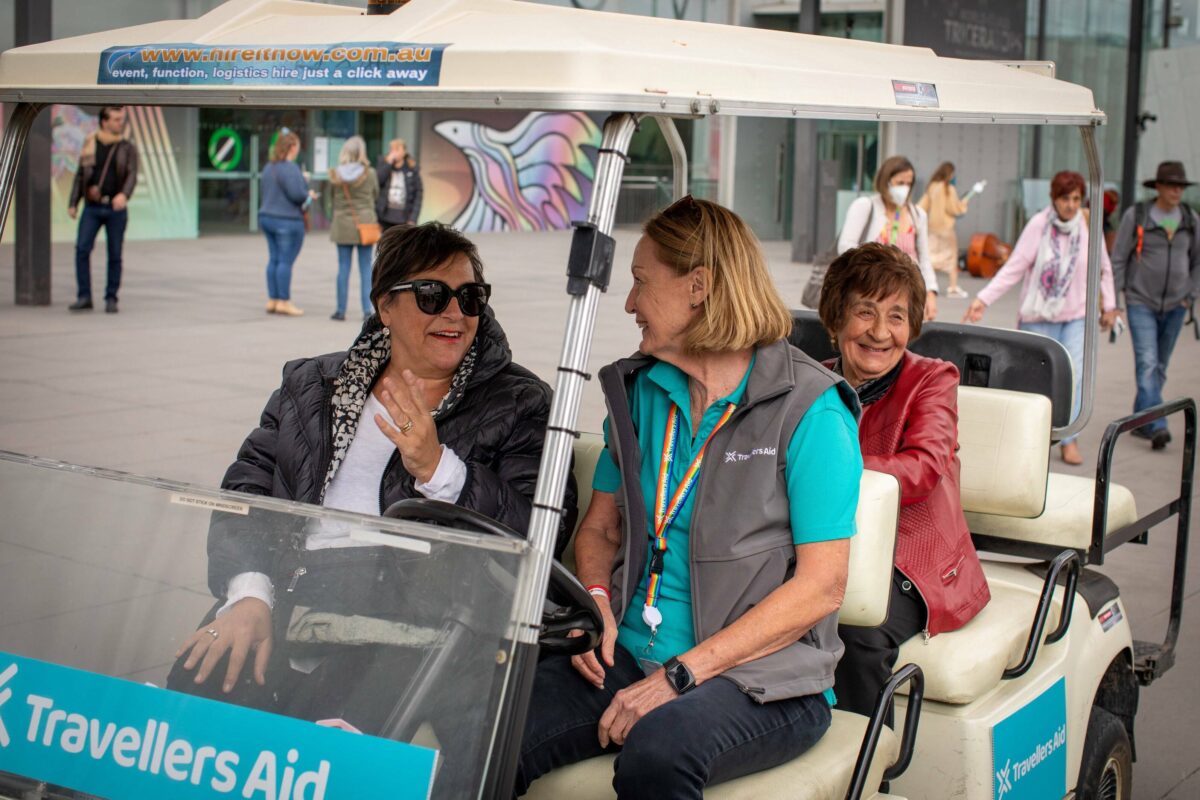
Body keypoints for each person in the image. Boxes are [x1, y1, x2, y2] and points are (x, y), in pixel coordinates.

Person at [169, 222, 577, 794]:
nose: (455, 313)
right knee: (193, 705)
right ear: (385, 305)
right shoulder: (313, 385)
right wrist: (248, 594)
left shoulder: (519, 402)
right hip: (291, 592)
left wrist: (438, 468)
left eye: (470, 297)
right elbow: (246, 493)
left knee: (330, 756)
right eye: (432, 295)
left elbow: (540, 531)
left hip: (414, 620)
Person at [516, 197, 863, 798]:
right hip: (628, 652)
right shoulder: (640, 391)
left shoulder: (812, 410)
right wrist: (596, 602)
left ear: (698, 287)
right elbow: (601, 528)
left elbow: (822, 588)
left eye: (640, 282)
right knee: (492, 721)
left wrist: (680, 675)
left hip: (762, 678)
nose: (630, 303)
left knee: (659, 752)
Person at [819, 242, 989, 719]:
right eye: (864, 312)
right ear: (835, 320)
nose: (879, 332)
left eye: (895, 316)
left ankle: (872, 756)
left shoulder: (932, 380)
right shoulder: (813, 381)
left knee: (855, 631)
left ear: (911, 326)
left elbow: (923, 468)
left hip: (914, 563)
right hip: (832, 548)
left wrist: (825, 468)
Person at [963, 170, 1119, 465]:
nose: (1071, 205)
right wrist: (983, 299)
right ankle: (1031, 436)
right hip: (1038, 317)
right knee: (1033, 379)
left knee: (1074, 378)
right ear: (1054, 199)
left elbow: (1104, 268)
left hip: (1076, 316)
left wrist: (1109, 305)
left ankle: (1068, 439)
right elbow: (1015, 266)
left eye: (1076, 199)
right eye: (1065, 198)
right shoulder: (1039, 225)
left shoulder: (1087, 226)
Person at [1110, 161, 1200, 450]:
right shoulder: (1137, 215)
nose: (1177, 191)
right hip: (1140, 302)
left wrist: (1190, 295)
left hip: (1177, 305)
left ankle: (1141, 421)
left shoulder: (1191, 219)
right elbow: (1118, 259)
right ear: (1158, 186)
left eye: (1181, 186)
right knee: (1148, 363)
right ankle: (1158, 424)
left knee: (1159, 367)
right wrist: (1114, 302)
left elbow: (1198, 261)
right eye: (1171, 185)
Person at [838, 155, 939, 321]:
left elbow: (924, 258)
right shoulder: (866, 206)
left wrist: (931, 292)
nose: (905, 188)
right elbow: (845, 247)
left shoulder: (917, 214)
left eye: (908, 183)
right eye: (900, 183)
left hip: (906, 296)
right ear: (886, 181)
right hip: (869, 292)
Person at [67, 106, 138, 314]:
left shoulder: (126, 147)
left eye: (121, 119)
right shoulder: (90, 144)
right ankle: (84, 296)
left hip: (115, 209)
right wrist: (73, 202)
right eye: (116, 119)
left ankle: (111, 297)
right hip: (92, 207)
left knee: (114, 254)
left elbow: (132, 174)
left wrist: (124, 195)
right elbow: (81, 175)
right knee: (82, 249)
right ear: (104, 121)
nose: (120, 123)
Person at [259, 130, 316, 317]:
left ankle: (273, 299)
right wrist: (308, 193)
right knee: (285, 260)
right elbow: (297, 195)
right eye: (297, 146)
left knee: (274, 258)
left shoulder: (269, 167)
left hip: (267, 217)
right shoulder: (290, 168)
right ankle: (284, 301)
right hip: (287, 220)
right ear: (292, 147)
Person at [329, 135, 380, 321]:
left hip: (342, 224)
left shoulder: (335, 174)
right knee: (365, 268)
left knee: (343, 267)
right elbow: (375, 194)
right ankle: (367, 310)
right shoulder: (370, 173)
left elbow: (331, 198)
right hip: (364, 224)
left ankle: (340, 310)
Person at [917, 161, 976, 299]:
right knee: (951, 259)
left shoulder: (931, 187)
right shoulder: (949, 189)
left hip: (932, 229)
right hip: (946, 230)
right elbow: (954, 209)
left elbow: (921, 206)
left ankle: (925, 285)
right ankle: (953, 287)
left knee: (930, 257)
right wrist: (964, 203)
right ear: (949, 173)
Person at [377, 138, 423, 231]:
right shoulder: (384, 165)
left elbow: (418, 194)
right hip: (384, 217)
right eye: (392, 149)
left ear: (404, 152)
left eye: (397, 149)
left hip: (404, 218)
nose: (394, 153)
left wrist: (413, 218)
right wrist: (388, 164)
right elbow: (378, 181)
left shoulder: (412, 168)